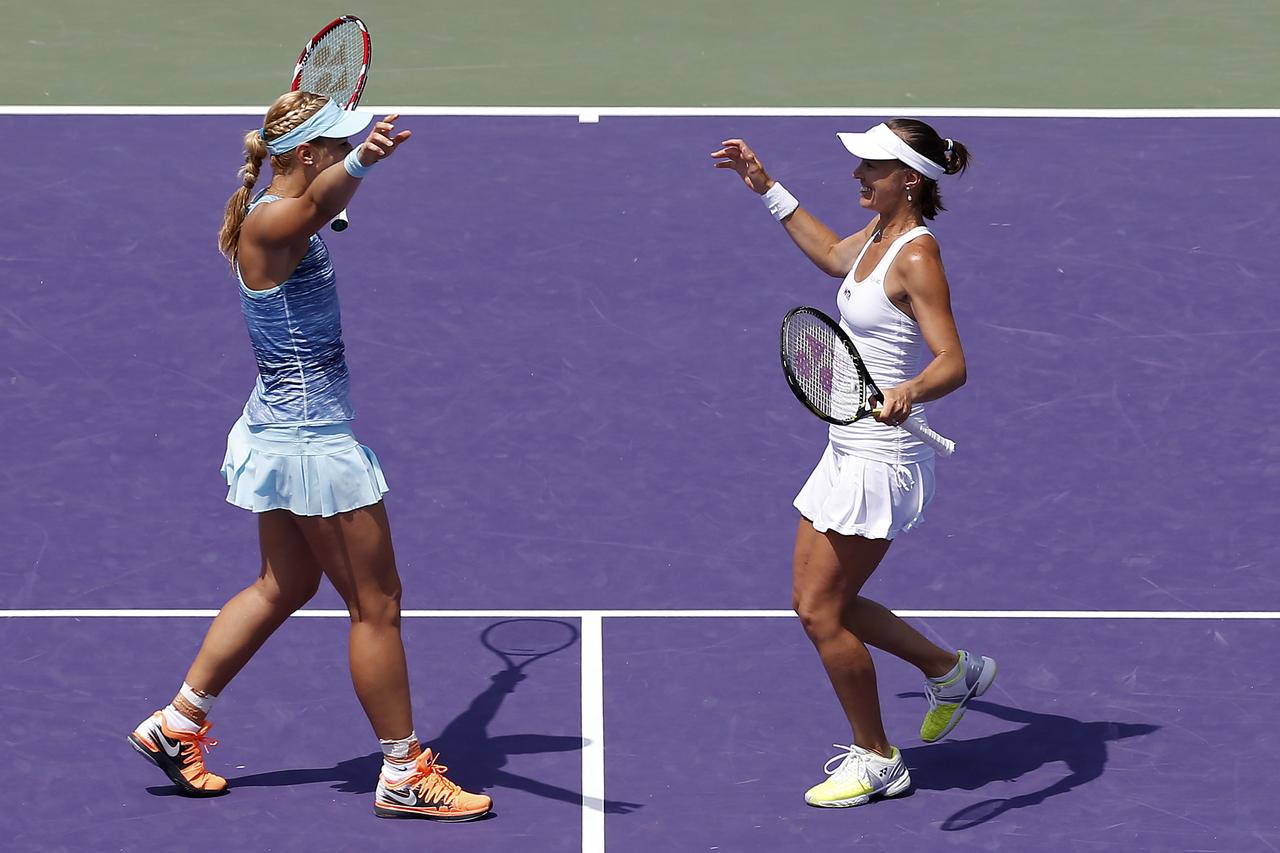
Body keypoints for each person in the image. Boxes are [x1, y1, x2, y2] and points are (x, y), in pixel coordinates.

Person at [127, 90, 491, 822]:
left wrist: (347, 163)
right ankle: (402, 771)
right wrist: (364, 160)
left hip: (276, 428)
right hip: (310, 445)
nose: (342, 151)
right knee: (376, 604)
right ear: (304, 155)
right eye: (333, 144)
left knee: (283, 582)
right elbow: (321, 202)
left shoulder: (280, 209)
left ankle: (176, 723)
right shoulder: (272, 222)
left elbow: (323, 201)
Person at [712, 120, 997, 808]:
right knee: (826, 602)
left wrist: (909, 389)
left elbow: (952, 362)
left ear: (910, 179)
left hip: (883, 457)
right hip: (849, 445)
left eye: (871, 166)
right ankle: (948, 670)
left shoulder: (917, 255)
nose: (857, 176)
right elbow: (831, 257)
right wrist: (766, 187)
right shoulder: (875, 237)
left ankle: (878, 758)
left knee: (819, 611)